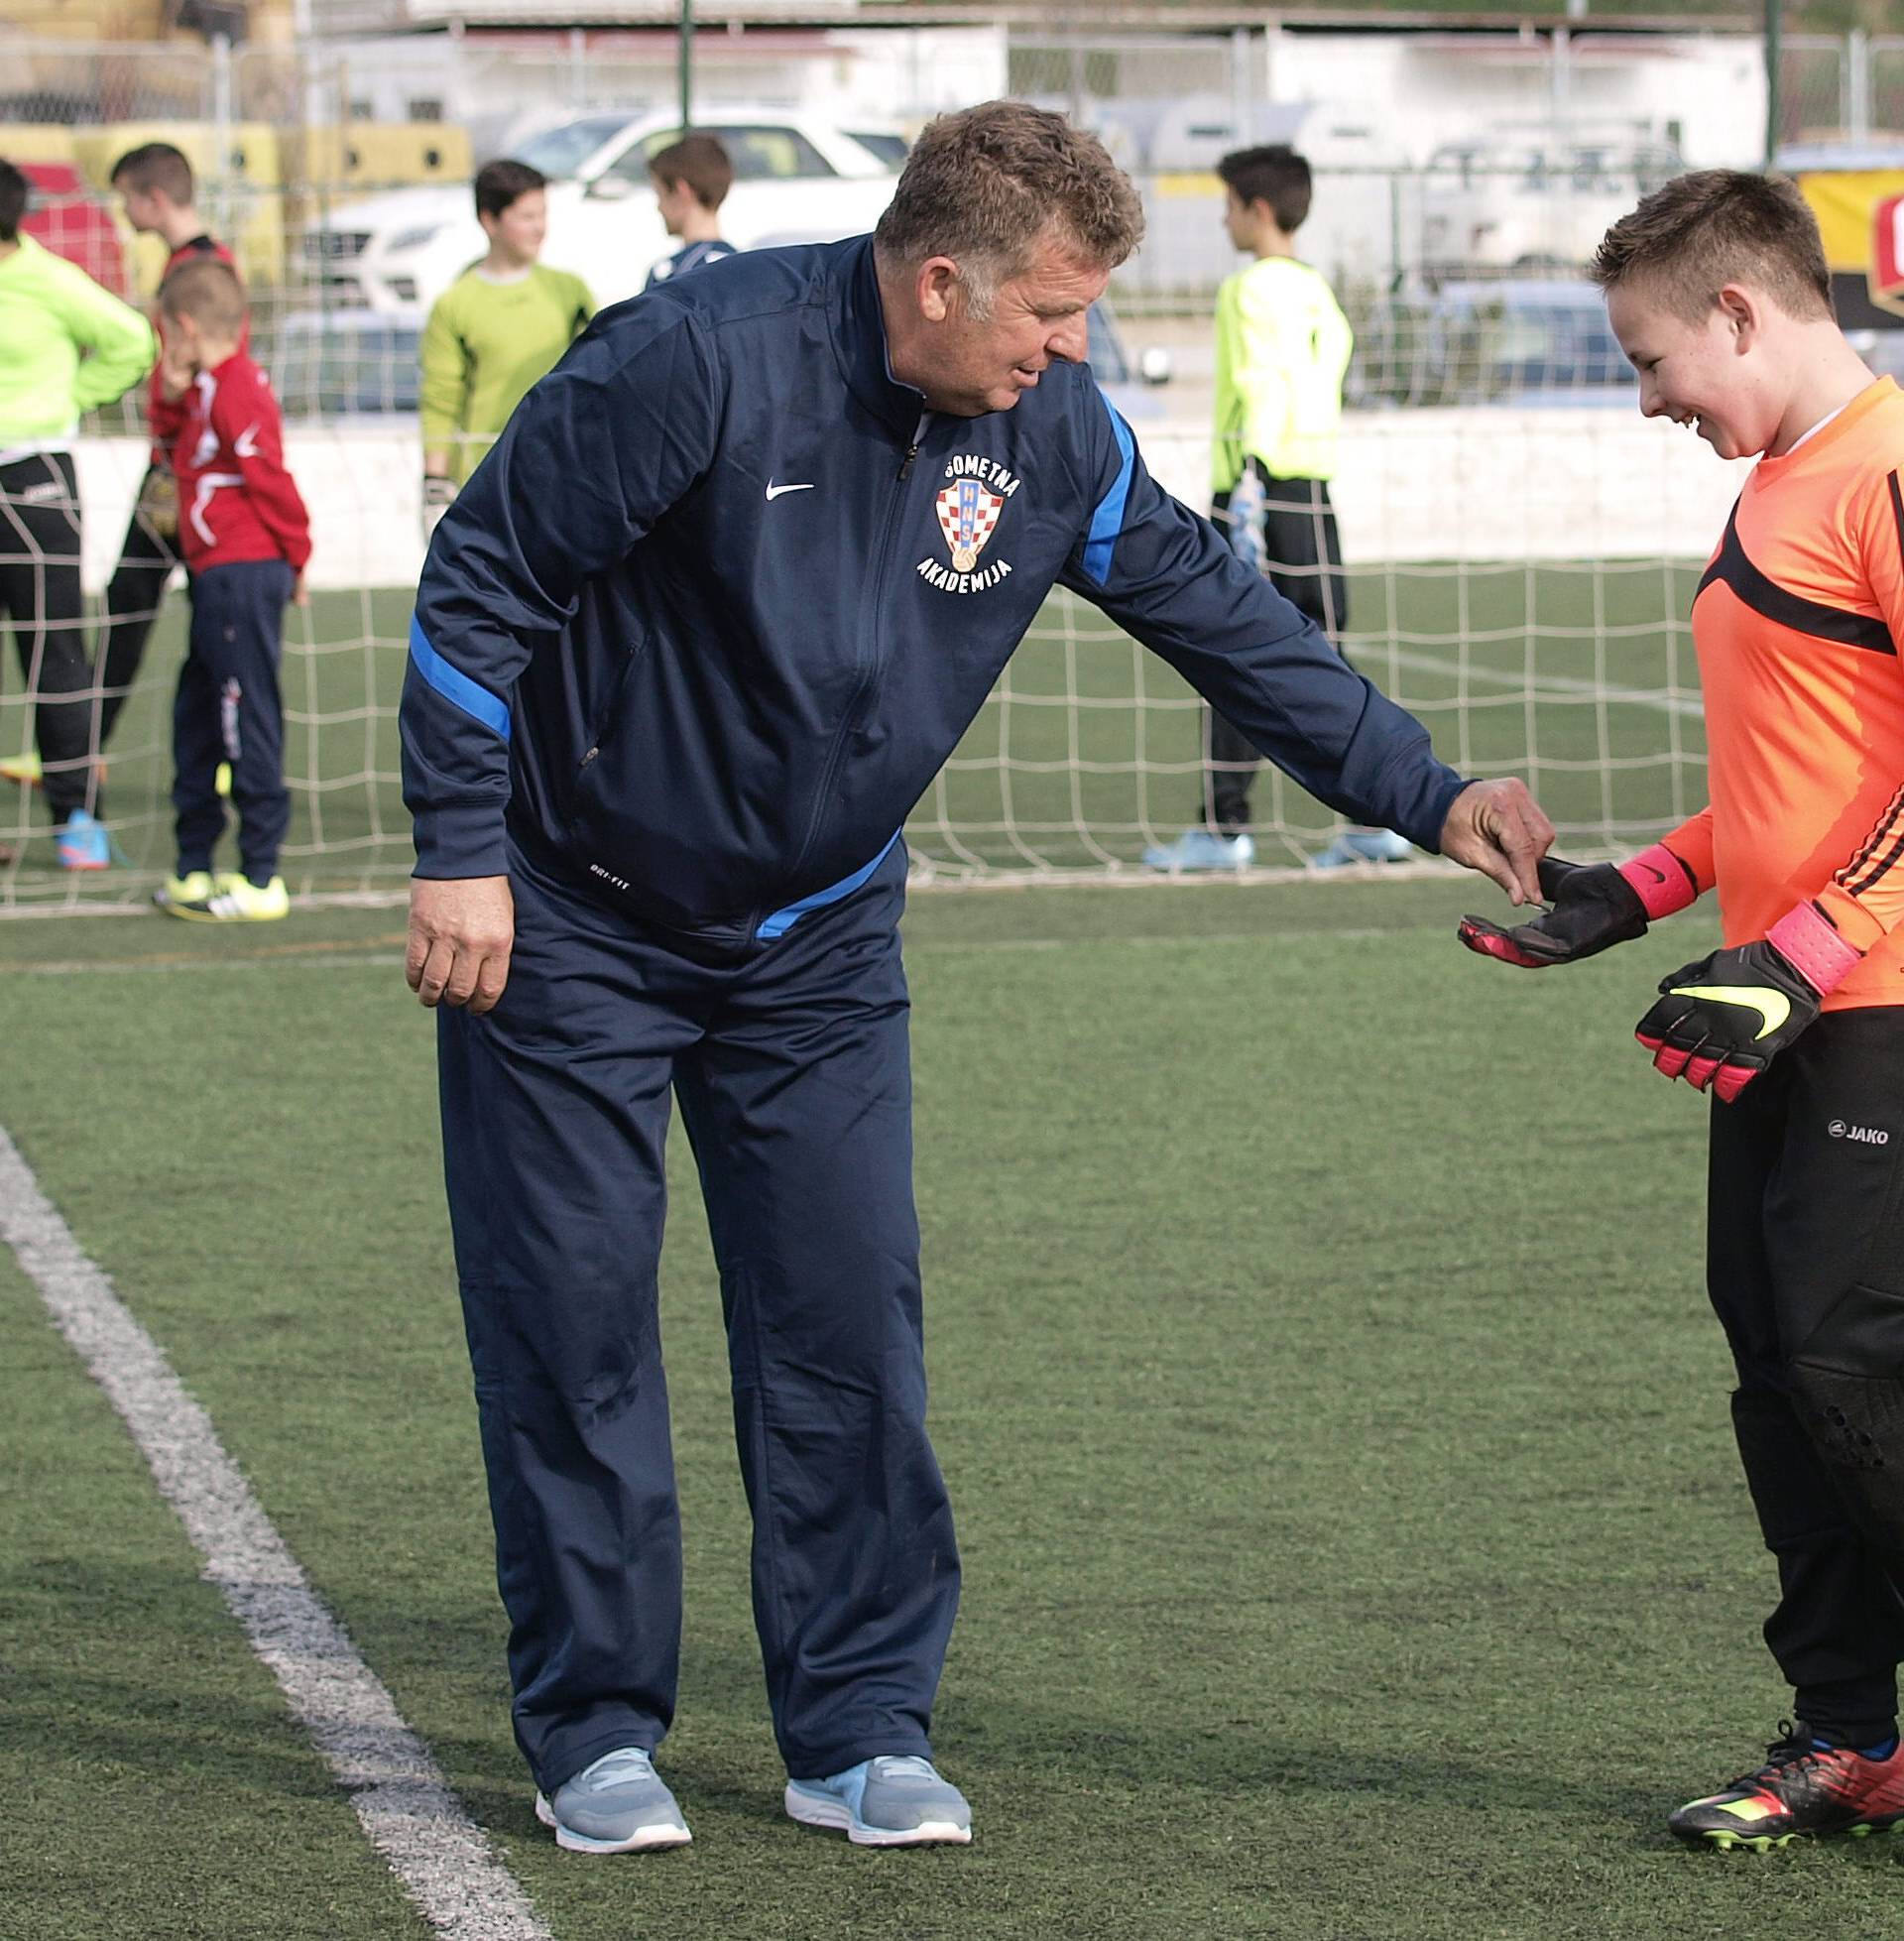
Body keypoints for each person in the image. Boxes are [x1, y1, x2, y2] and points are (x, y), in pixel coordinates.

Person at [403, 100, 1553, 1858]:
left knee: (849, 1328)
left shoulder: (1053, 432)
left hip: (822, 945)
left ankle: (858, 1726)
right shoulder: (690, 364)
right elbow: (482, 583)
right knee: (576, 1337)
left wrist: (1426, 787)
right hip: (573, 919)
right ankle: (595, 1727)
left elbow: (1223, 614)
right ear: (940, 283)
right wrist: (460, 851)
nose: (1076, 350)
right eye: (1053, 314)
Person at [1459, 169, 1904, 1853]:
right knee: (1780, 1373)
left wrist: (1805, 954)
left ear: (1741, 309)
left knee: (1852, 1366)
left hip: (1875, 1000)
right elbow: (1795, 782)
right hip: (1784, 1001)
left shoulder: (1887, 467)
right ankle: (1850, 1732)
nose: (1648, 400)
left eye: (1654, 360)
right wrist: (1628, 893)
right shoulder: (1780, 482)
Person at [1144, 144, 1409, 875]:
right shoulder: (1318, 291)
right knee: (1330, 660)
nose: (1223, 219)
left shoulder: (1248, 290)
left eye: (1228, 205)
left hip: (1256, 490)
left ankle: (1223, 831)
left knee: (1230, 652)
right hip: (1314, 493)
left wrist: (1249, 487)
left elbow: (1259, 383)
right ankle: (1370, 818)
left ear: (1257, 211)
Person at [0, 157, 154, 869]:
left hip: (34, 482)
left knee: (56, 651)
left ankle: (76, 818)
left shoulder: (50, 280)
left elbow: (133, 342)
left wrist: (68, 402)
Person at [150, 258, 309, 922]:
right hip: (214, 574)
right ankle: (192, 864)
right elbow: (166, 432)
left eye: (165, 335)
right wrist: (169, 380)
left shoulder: (238, 385)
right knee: (197, 710)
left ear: (185, 326)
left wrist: (296, 552)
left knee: (244, 713)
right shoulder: (208, 386)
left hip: (245, 571)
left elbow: (268, 474)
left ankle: (261, 875)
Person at [88, 143, 241, 767]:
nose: (122, 211)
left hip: (186, 474)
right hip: (172, 467)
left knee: (176, 611)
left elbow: (224, 366)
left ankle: (81, 753)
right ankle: (80, 750)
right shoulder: (190, 263)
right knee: (134, 603)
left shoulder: (207, 270)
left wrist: (180, 409)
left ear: (153, 198)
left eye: (127, 197)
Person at [418, 160, 592, 532]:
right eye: (527, 217)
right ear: (489, 220)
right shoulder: (455, 304)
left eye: (543, 214)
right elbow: (441, 399)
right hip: (486, 484)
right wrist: (435, 482)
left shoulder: (571, 292)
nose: (540, 228)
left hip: (564, 477)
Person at [644, 133, 737, 290]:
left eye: (660, 194)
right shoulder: (744, 266)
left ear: (682, 191)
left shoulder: (669, 274)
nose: (659, 208)